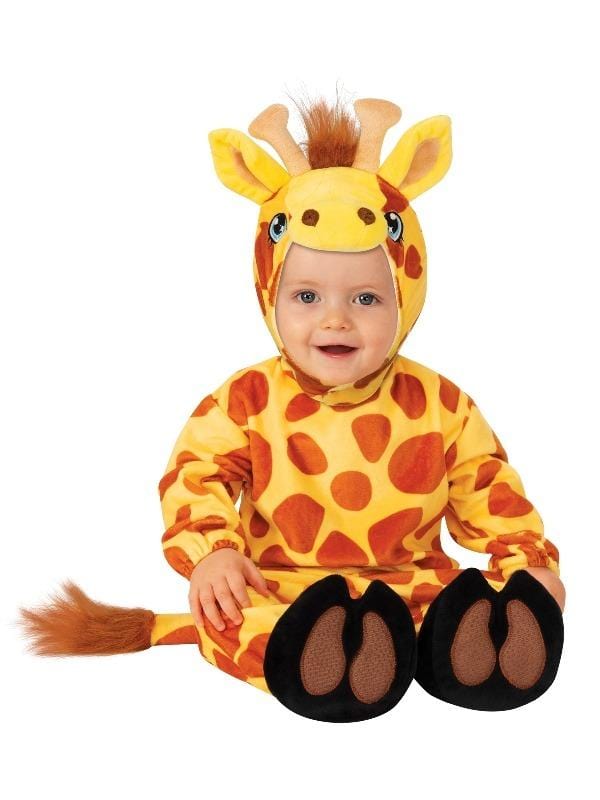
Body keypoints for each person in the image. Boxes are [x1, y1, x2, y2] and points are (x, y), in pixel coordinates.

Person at [157, 92, 565, 721]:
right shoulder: (246, 400)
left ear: (407, 292)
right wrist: (212, 552)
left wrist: (527, 563)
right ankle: (322, 659)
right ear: (269, 293)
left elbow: (487, 486)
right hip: (283, 591)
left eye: (367, 299)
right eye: (307, 296)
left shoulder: (440, 404)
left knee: (461, 606)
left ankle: (464, 648)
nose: (335, 320)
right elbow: (197, 473)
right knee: (231, 619)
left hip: (412, 588)